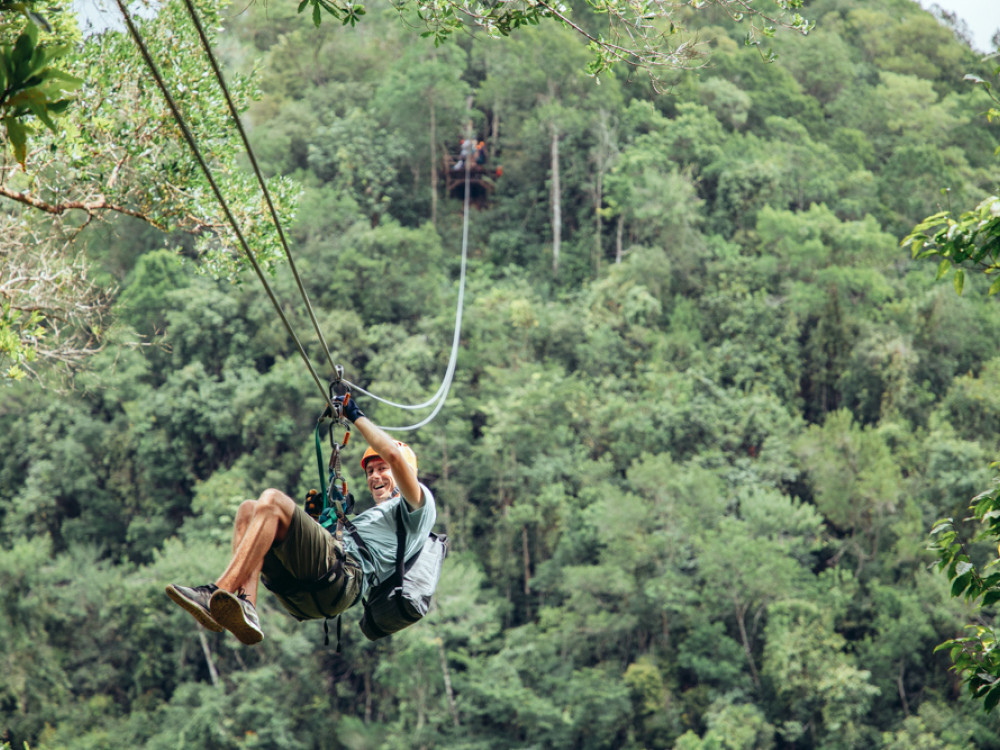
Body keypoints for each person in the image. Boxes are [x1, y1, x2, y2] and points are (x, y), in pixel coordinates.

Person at [165, 395, 436, 645]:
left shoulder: (418, 506)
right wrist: (315, 522)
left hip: (342, 581)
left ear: (405, 473)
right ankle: (246, 604)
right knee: (249, 510)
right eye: (371, 471)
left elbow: (393, 455)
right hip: (306, 590)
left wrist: (356, 415)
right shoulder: (377, 521)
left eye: (382, 469)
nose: (375, 477)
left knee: (272, 500)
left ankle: (215, 593)